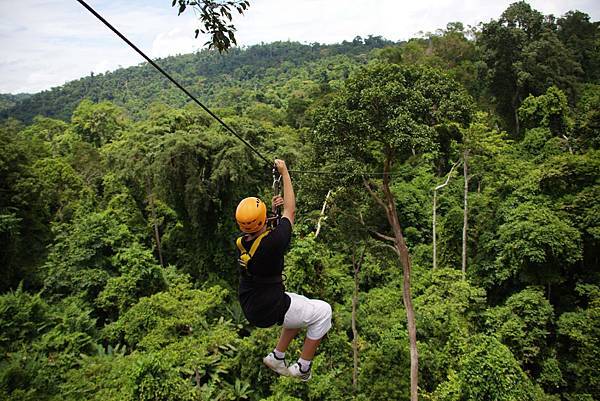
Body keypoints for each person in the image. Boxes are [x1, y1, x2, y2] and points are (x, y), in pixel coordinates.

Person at [235, 159, 332, 381]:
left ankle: (278, 356)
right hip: (270, 307)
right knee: (324, 311)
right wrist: (284, 172)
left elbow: (265, 228)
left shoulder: (243, 241)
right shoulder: (274, 242)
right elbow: (291, 210)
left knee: (297, 306)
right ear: (262, 221)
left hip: (252, 303)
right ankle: (303, 368)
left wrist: (273, 213)